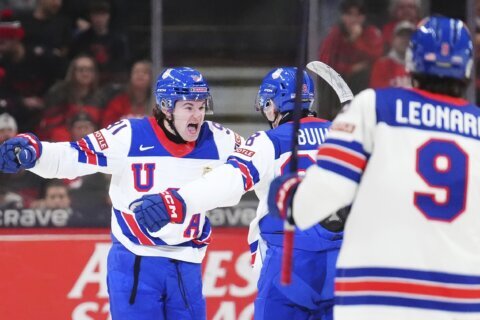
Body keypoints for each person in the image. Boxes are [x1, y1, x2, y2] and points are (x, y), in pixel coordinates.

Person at [269, 16, 480, 320]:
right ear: (468, 69)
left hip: (379, 299)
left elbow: (316, 201)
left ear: (411, 62)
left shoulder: (374, 107)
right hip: (463, 303)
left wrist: (287, 195)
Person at [0, 67, 242, 319]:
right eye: (189, 107)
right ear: (167, 107)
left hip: (188, 263)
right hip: (134, 261)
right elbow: (74, 156)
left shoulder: (219, 140)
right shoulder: (128, 135)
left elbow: (253, 167)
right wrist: (36, 154)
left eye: (202, 106)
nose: (198, 115)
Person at [131, 67, 343, 319]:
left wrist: (176, 201)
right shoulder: (345, 136)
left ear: (274, 104)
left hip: (290, 263)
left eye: (267, 105)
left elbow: (230, 178)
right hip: (343, 261)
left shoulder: (269, 141)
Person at [318, 0, 383, 94]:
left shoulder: (371, 32)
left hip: (364, 82)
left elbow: (377, 56)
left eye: (358, 15)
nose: (353, 19)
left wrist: (357, 41)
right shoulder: (335, 34)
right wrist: (350, 68)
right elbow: (324, 61)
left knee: (364, 74)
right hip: (340, 81)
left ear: (364, 17)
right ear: (342, 16)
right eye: (349, 14)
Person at [370, 20, 415, 88]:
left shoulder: (421, 66)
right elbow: (378, 93)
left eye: (409, 36)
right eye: (401, 35)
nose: (405, 39)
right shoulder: (382, 65)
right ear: (392, 40)